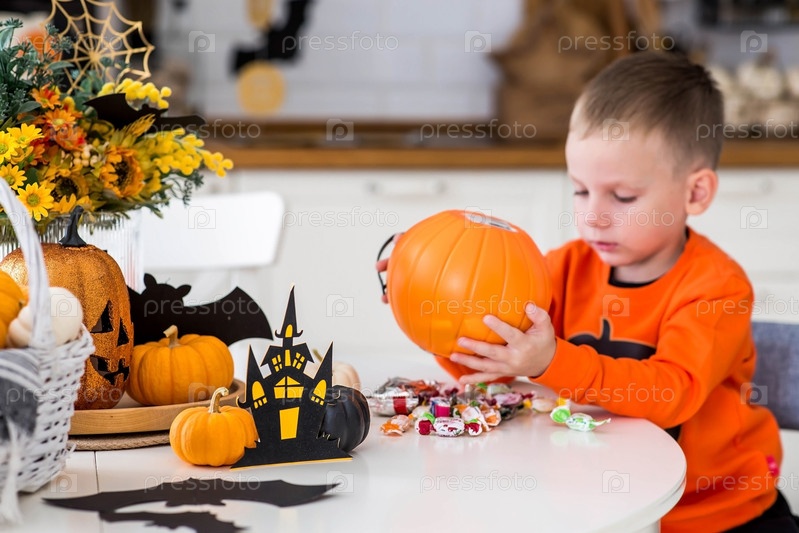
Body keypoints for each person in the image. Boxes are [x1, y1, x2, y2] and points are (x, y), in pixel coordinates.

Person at [377, 51, 795, 532]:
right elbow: (496, 366)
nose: (593, 215)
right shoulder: (563, 268)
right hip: (596, 504)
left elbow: (671, 392)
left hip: (716, 515)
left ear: (695, 193)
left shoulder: (716, 288)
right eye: (580, 190)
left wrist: (551, 362)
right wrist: (431, 304)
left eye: (622, 196)